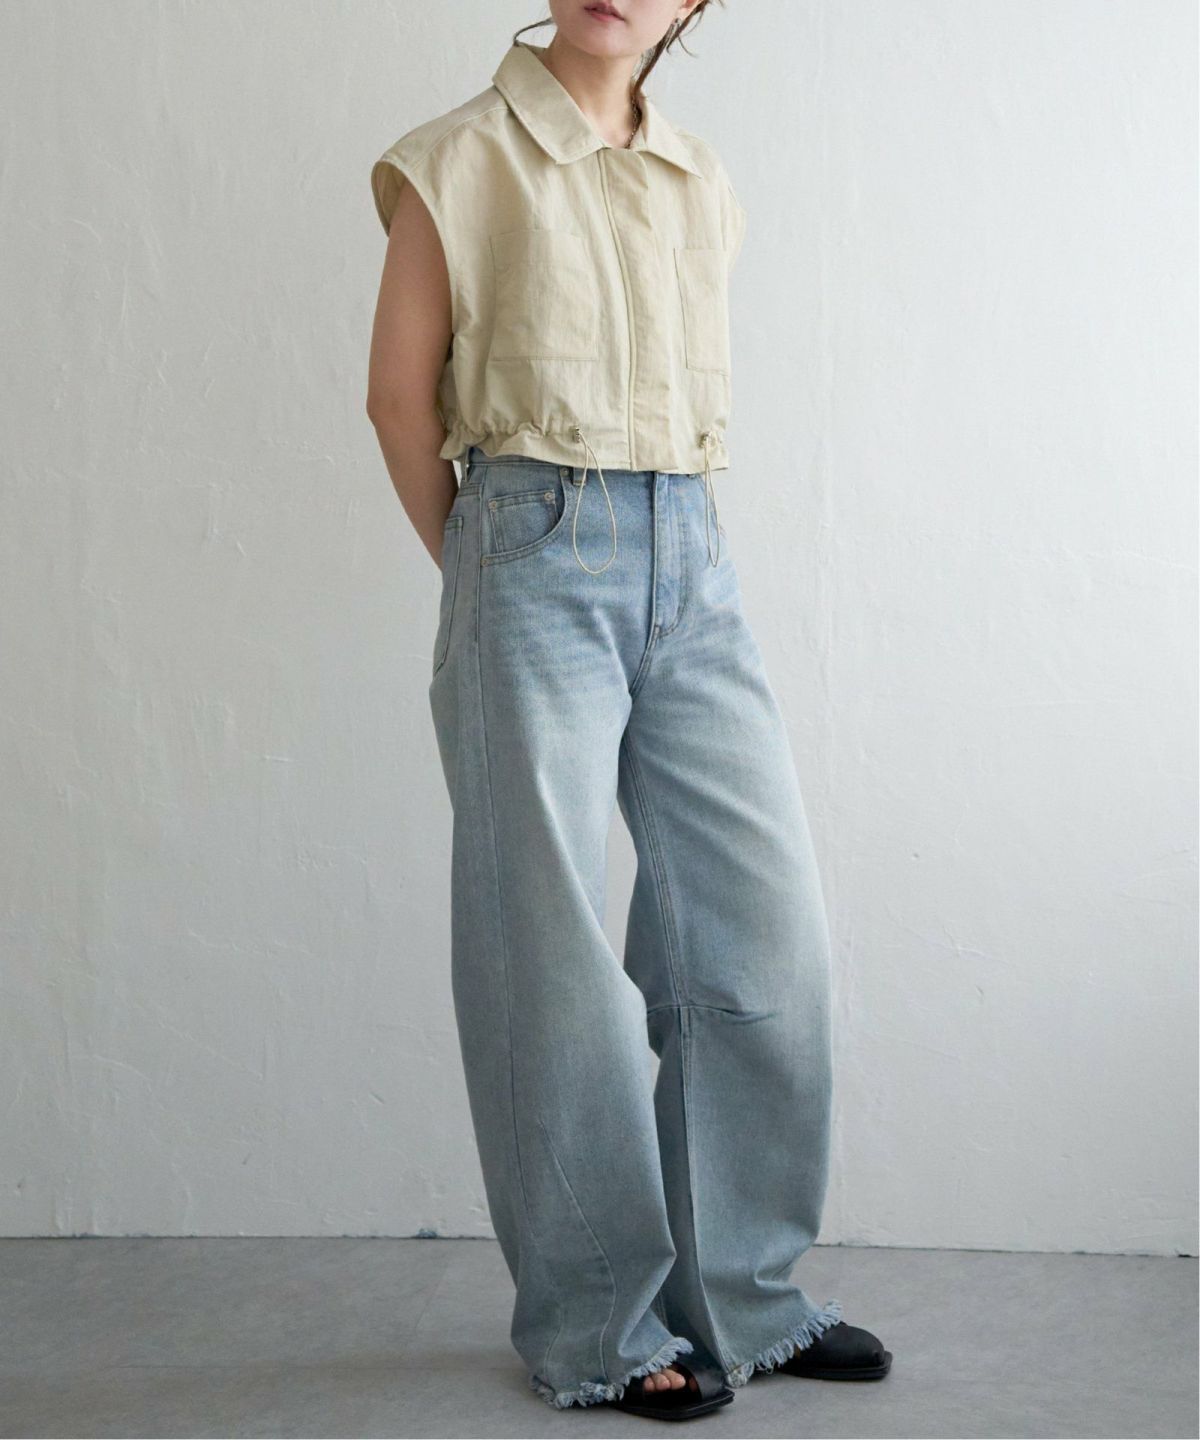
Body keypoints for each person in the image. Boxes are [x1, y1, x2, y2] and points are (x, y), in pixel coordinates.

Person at [366, 0, 891, 1420]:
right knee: (549, 956)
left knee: (761, 932)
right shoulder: (453, 159)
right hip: (530, 542)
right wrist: (489, 573)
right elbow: (399, 402)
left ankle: (745, 1296)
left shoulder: (698, 178)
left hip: (695, 558)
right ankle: (599, 1322)